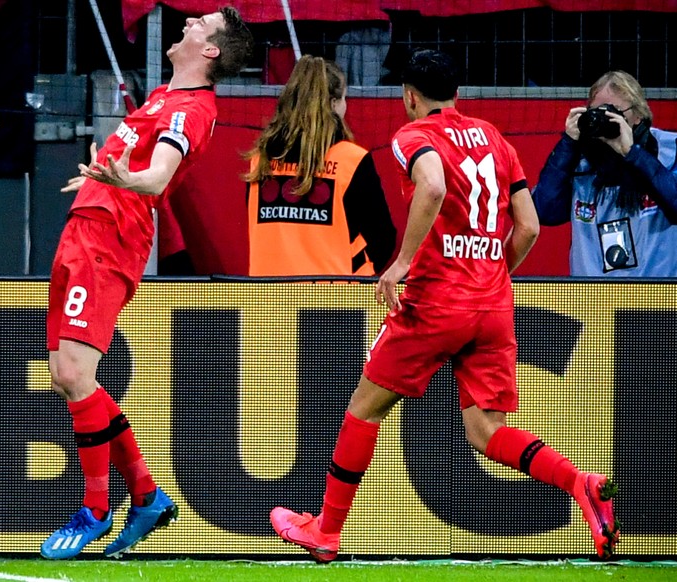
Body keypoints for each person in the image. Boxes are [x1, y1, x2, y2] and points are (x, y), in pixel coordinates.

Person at [270, 49, 619, 562]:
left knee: (363, 409)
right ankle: (580, 483)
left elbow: (432, 184)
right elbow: (529, 226)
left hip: (435, 302)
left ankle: (325, 529)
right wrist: (491, 273)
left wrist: (402, 262)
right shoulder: (496, 139)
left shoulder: (413, 135)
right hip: (493, 301)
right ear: (458, 93)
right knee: (486, 431)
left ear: (409, 96)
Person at [41, 7, 253, 560]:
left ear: (210, 52)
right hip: (87, 225)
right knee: (68, 376)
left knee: (73, 372)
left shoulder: (193, 108)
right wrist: (99, 179)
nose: (185, 24)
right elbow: (130, 164)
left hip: (110, 238)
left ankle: (95, 507)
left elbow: (157, 176)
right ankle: (147, 496)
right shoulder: (161, 94)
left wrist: (123, 180)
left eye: (198, 25)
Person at [245, 55, 396, 277]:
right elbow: (383, 238)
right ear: (334, 104)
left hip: (268, 299)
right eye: (344, 98)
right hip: (332, 300)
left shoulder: (260, 160)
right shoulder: (352, 160)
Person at [533, 70, 677, 276]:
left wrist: (633, 154)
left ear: (638, 115)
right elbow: (544, 211)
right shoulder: (580, 161)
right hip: (593, 299)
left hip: (655, 298)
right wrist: (568, 143)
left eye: (615, 112)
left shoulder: (668, 150)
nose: (607, 119)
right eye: (599, 111)